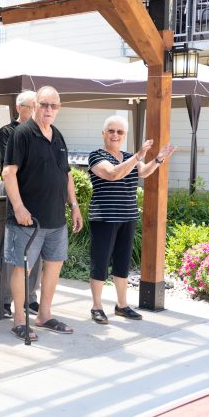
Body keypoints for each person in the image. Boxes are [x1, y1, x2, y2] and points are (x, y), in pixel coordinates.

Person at [2, 86, 83, 342]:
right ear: (35, 105)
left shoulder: (57, 136)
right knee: (21, 268)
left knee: (54, 264)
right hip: (28, 219)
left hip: (55, 218)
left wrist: (74, 205)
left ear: (59, 109)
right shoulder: (22, 134)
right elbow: (8, 173)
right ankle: (19, 320)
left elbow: (66, 173)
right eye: (44, 104)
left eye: (54, 106)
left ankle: (44, 315)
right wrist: (18, 207)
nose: (49, 110)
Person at [88, 115, 176, 324]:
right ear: (104, 133)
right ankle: (97, 307)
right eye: (111, 131)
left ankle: (122, 305)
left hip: (127, 216)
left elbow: (143, 172)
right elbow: (112, 174)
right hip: (104, 218)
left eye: (120, 132)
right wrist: (138, 155)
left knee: (122, 263)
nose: (115, 135)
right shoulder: (96, 156)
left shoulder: (128, 156)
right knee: (100, 262)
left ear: (125, 135)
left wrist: (158, 159)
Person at [0, 90, 41, 318]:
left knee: (36, 247)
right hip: (15, 193)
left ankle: (30, 298)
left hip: (37, 194)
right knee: (12, 248)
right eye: (32, 106)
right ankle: (5, 300)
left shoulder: (42, 132)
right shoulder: (7, 132)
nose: (37, 110)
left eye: (38, 105)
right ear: (19, 108)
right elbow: (10, 167)